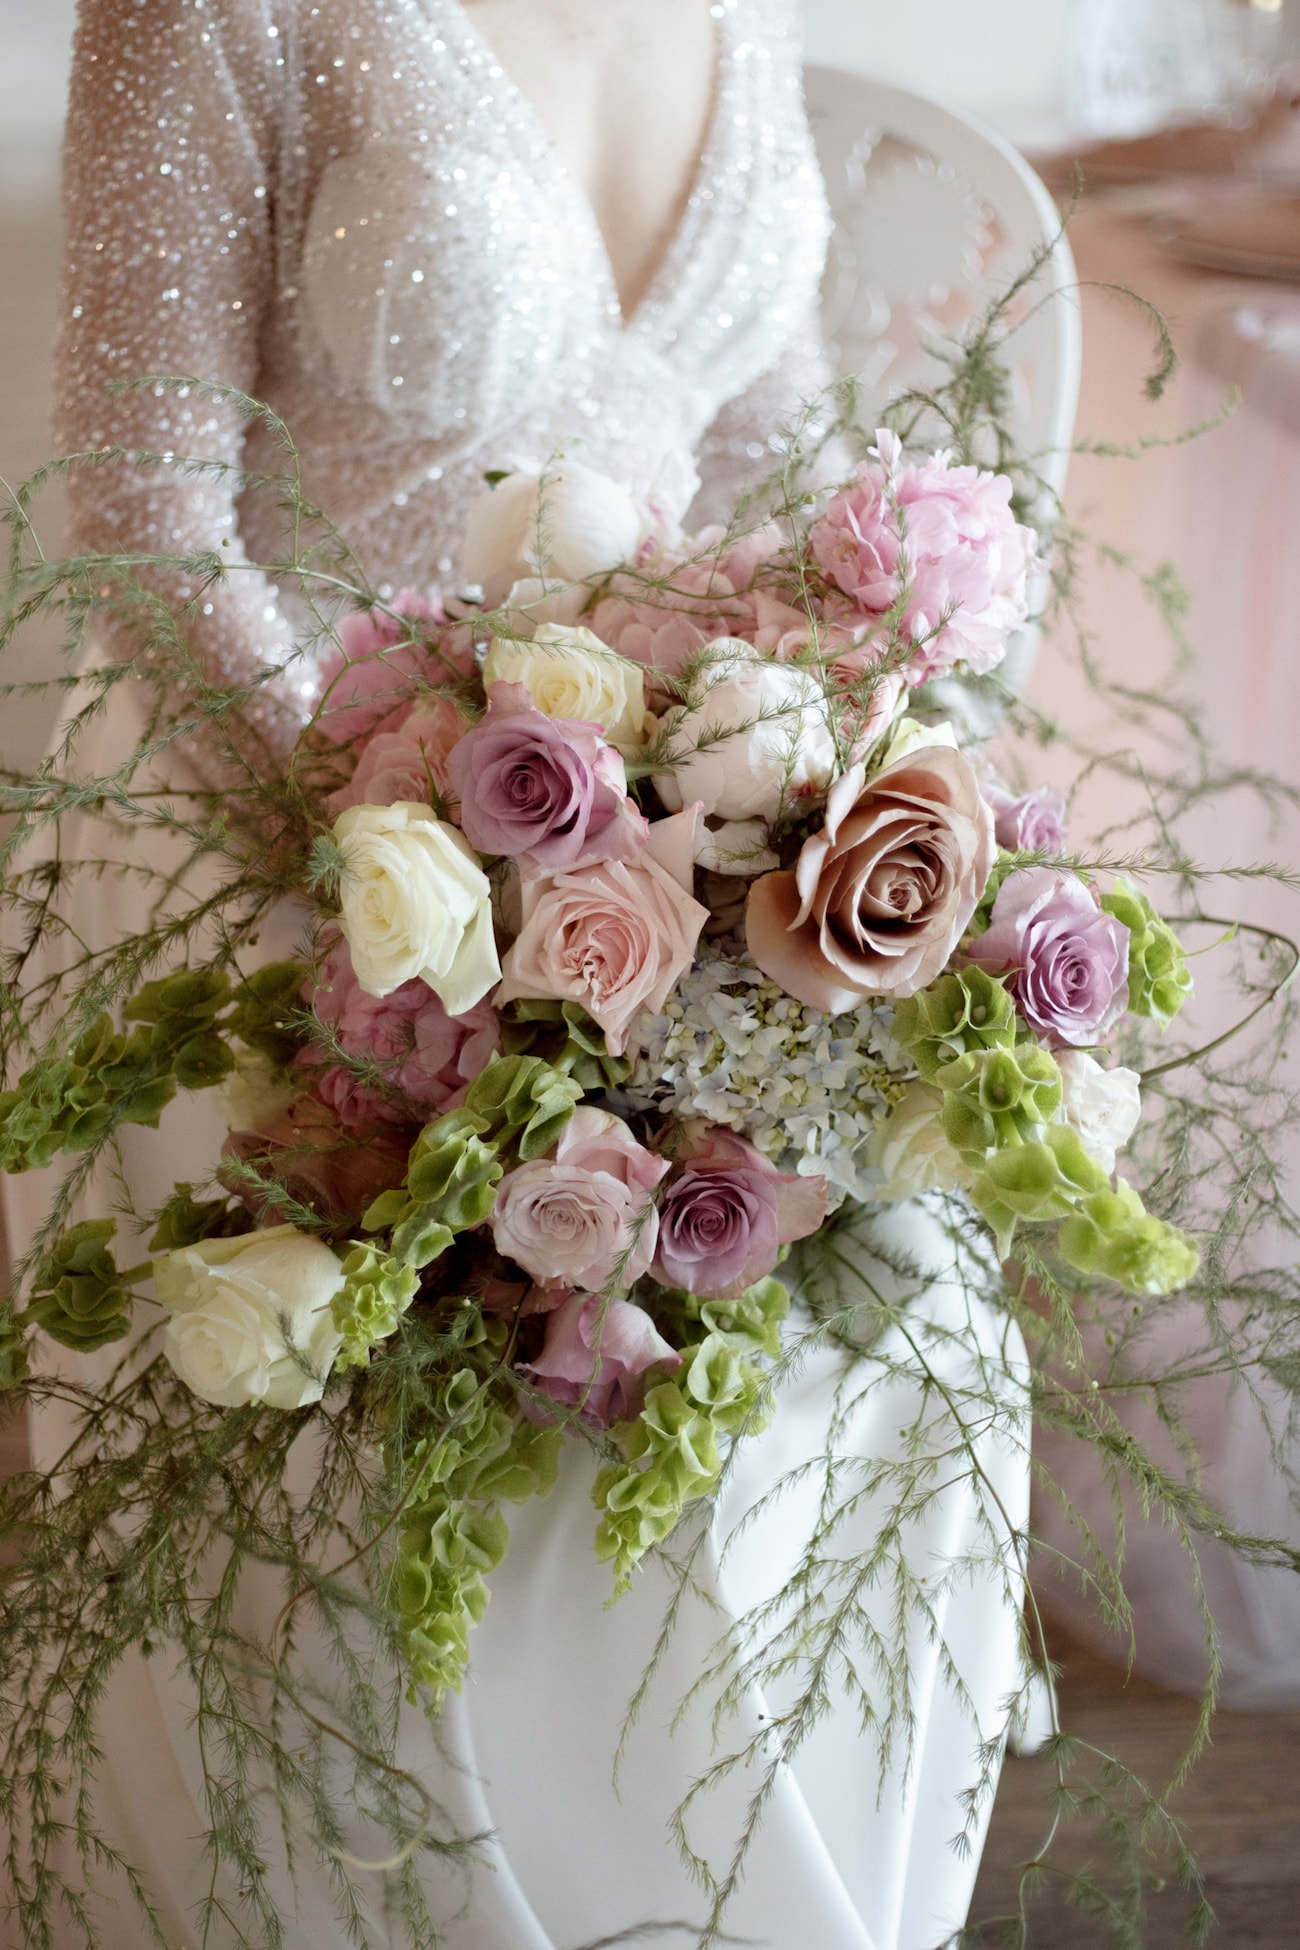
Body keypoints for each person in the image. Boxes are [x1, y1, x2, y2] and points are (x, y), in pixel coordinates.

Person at [0, 3, 1034, 1945]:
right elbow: (145, 523)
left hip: (639, 856)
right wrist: (412, 875)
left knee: (908, 1282)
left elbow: (762, 458)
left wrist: (767, 817)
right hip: (267, 854)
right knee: (453, 1356)